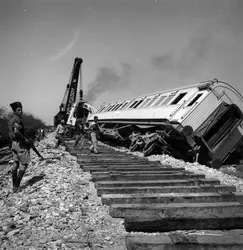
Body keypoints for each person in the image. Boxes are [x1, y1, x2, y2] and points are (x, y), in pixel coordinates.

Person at [8, 102, 31, 193]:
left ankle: (14, 186)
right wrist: (25, 139)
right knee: (25, 164)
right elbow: (16, 131)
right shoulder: (18, 119)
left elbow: (11, 133)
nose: (20, 111)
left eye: (21, 109)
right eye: (18, 110)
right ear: (14, 111)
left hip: (14, 143)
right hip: (20, 143)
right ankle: (17, 186)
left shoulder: (11, 120)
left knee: (16, 163)